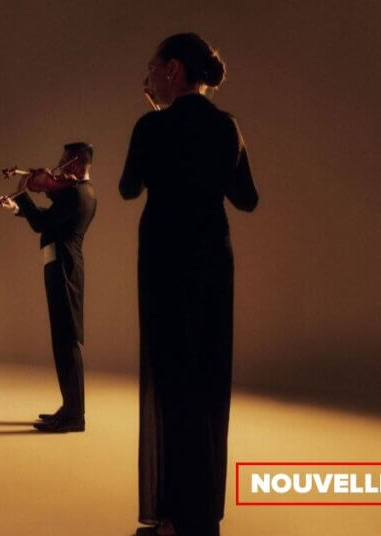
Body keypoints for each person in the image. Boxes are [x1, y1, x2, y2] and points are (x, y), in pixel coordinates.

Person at [119, 33, 259, 536]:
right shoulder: (226, 126)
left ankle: (174, 516)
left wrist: (157, 121)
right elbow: (247, 199)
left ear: (172, 70)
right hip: (212, 262)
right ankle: (201, 514)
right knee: (207, 381)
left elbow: (128, 188)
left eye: (152, 68)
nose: (148, 78)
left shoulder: (151, 126)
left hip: (165, 262)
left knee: (171, 382)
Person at [0, 143, 97, 433]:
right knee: (62, 339)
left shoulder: (79, 193)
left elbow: (42, 223)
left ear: (76, 163)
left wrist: (23, 193)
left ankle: (75, 416)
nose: (58, 169)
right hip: (61, 264)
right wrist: (19, 208)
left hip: (65, 267)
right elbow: (51, 220)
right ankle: (70, 408)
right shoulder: (77, 192)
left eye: (63, 162)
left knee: (67, 340)